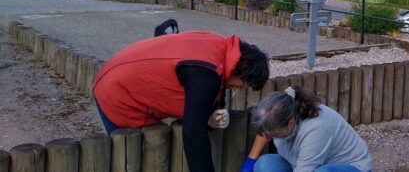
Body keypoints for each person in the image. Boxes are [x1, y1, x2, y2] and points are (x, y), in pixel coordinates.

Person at [93, 31, 270, 172]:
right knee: (137, 156)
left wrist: (215, 112)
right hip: (117, 94)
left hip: (117, 70)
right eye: (244, 83)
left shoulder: (221, 49)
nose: (241, 88)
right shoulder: (205, 74)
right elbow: (193, 132)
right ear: (242, 71)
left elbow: (213, 90)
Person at [240, 86, 372, 172]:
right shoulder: (281, 112)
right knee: (264, 164)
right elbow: (265, 129)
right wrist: (251, 160)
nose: (267, 135)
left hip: (349, 166)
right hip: (304, 163)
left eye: (272, 132)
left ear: (290, 123)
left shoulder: (315, 129)